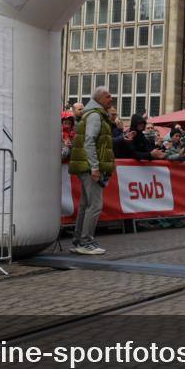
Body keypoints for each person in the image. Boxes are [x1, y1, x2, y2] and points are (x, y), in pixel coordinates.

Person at [67, 86, 117, 255]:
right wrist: (95, 166)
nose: (111, 99)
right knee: (95, 205)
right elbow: (90, 141)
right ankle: (86, 242)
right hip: (90, 167)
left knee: (85, 205)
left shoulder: (91, 114)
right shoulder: (96, 115)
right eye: (108, 96)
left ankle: (79, 241)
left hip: (86, 166)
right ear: (99, 99)